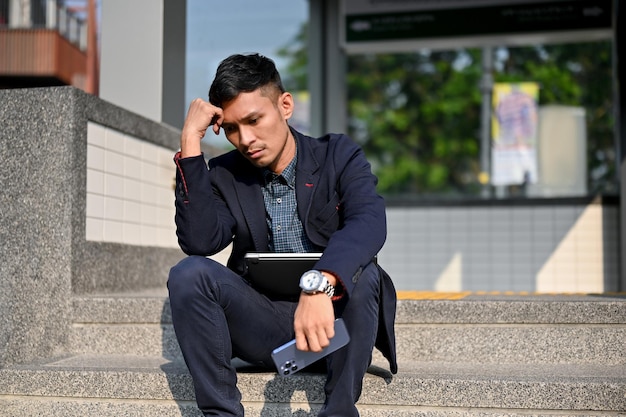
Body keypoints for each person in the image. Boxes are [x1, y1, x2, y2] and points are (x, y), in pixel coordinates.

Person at [168, 53, 397, 417]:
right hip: (268, 331)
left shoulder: (338, 154)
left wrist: (320, 284)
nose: (245, 139)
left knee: (368, 274)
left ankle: (337, 412)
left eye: (254, 120)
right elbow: (200, 242)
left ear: (285, 105)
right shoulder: (225, 173)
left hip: (337, 333)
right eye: (231, 128)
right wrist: (191, 142)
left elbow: (368, 221)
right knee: (188, 273)